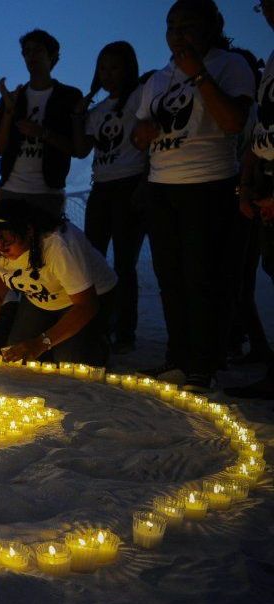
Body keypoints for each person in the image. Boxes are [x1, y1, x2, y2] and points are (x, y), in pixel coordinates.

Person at [131, 0, 255, 391]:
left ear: (211, 26)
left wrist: (198, 74)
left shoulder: (229, 64)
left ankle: (205, 363)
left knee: (204, 277)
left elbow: (234, 122)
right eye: (171, 27)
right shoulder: (157, 79)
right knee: (170, 278)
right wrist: (144, 134)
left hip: (209, 183)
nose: (178, 35)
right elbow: (138, 135)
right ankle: (179, 359)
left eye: (187, 26)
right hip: (162, 185)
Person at [71, 41, 148, 355]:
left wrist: (145, 182)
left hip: (130, 183)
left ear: (128, 68)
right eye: (102, 68)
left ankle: (125, 331)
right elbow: (80, 150)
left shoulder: (139, 98)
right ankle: (97, 325)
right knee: (93, 259)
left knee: (125, 263)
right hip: (100, 188)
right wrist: (79, 116)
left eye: (114, 67)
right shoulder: (98, 110)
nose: (108, 74)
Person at [0, 199, 117, 366]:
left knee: (70, 362)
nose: (2, 250)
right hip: (40, 298)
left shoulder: (58, 246)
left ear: (28, 231)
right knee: (17, 354)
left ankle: (99, 344)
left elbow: (86, 305)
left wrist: (41, 343)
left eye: (8, 243)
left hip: (86, 300)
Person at [226, 0, 274, 400]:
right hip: (250, 193)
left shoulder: (253, 109)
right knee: (240, 279)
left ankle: (254, 346)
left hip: (254, 197)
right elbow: (252, 151)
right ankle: (255, 346)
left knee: (243, 275)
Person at [0, 29, 83, 217]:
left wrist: (43, 133)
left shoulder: (69, 97)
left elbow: (76, 148)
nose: (31, 56)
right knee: (0, 247)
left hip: (48, 195)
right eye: (27, 51)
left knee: (48, 247)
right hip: (10, 191)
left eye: (38, 50)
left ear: (52, 56)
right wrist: (9, 111)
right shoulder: (14, 97)